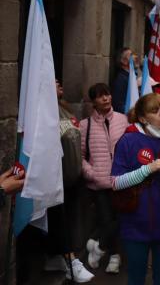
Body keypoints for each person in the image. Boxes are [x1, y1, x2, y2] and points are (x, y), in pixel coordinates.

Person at [111, 93, 160, 285]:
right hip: (135, 224)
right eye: (154, 110)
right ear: (142, 118)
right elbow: (115, 182)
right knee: (136, 277)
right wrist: (147, 169)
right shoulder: (128, 141)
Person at [42, 80, 94, 283]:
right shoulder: (43, 112)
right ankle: (71, 261)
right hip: (55, 177)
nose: (58, 82)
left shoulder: (65, 108)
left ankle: (54, 257)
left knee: (67, 218)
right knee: (58, 219)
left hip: (72, 177)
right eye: (53, 81)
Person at [79, 83, 128, 274]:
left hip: (121, 181)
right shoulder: (85, 125)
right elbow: (81, 156)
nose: (106, 99)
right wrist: (91, 173)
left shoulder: (122, 120)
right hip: (99, 183)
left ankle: (98, 247)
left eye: (107, 94)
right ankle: (114, 256)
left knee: (120, 220)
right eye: (101, 96)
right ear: (94, 102)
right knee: (107, 221)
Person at [111, 47, 132, 113]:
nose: (136, 57)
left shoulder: (130, 77)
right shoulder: (121, 79)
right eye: (131, 56)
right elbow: (118, 105)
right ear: (123, 61)